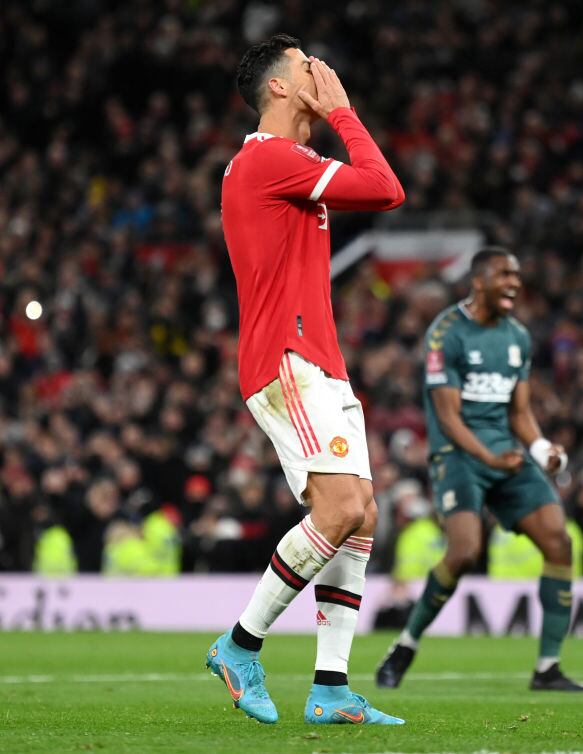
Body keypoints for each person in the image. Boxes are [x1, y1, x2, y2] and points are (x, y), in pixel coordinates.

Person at [206, 34, 405, 725]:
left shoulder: (286, 162)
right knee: (341, 509)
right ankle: (239, 645)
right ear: (282, 89)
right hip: (286, 359)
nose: (322, 72)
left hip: (319, 359)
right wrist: (346, 112)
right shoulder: (268, 160)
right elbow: (385, 188)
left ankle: (330, 687)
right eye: (307, 66)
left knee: (362, 517)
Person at [375, 248, 583, 692]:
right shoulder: (447, 334)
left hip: (505, 456)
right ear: (479, 282)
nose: (514, 282)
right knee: (464, 551)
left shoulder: (517, 336)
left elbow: (520, 411)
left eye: (517, 275)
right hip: (458, 456)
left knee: (558, 540)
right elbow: (449, 417)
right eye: (504, 275)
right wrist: (489, 458)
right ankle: (405, 646)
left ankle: (548, 668)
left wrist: (541, 448)